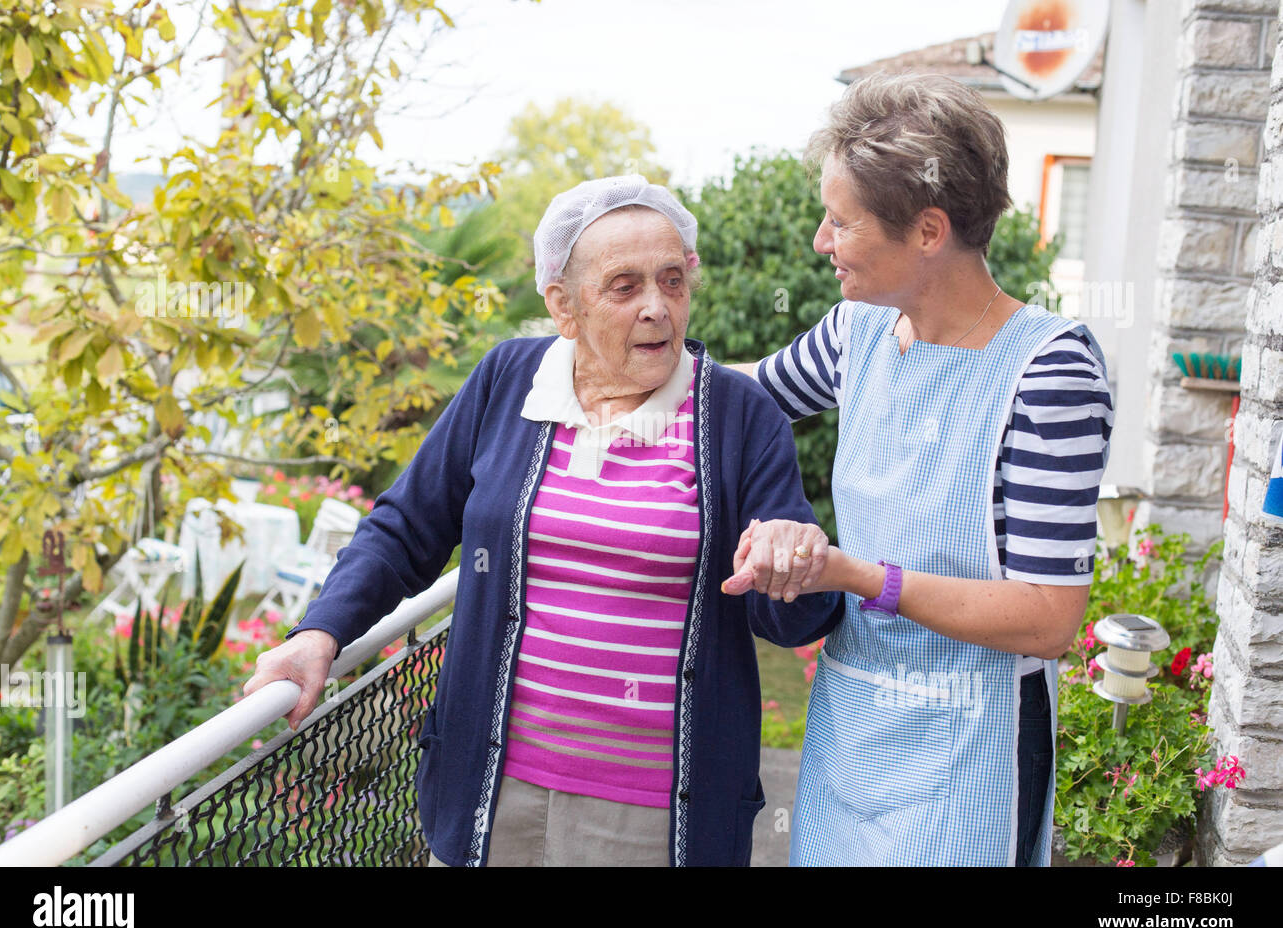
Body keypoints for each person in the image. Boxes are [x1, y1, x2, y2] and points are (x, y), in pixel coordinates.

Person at [242, 175, 844, 867]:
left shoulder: (739, 415)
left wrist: (798, 564)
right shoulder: (507, 380)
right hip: (491, 794)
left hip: (653, 814)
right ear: (563, 305)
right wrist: (321, 631)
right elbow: (407, 526)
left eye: (673, 280)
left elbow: (793, 617)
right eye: (624, 286)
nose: (657, 308)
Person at [723, 73, 1115, 866]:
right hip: (852, 724)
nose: (820, 243)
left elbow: (1047, 617)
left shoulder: (1050, 372)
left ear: (929, 231)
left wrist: (860, 577)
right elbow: (735, 401)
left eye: (841, 222)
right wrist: (604, 361)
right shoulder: (857, 332)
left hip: (974, 744)